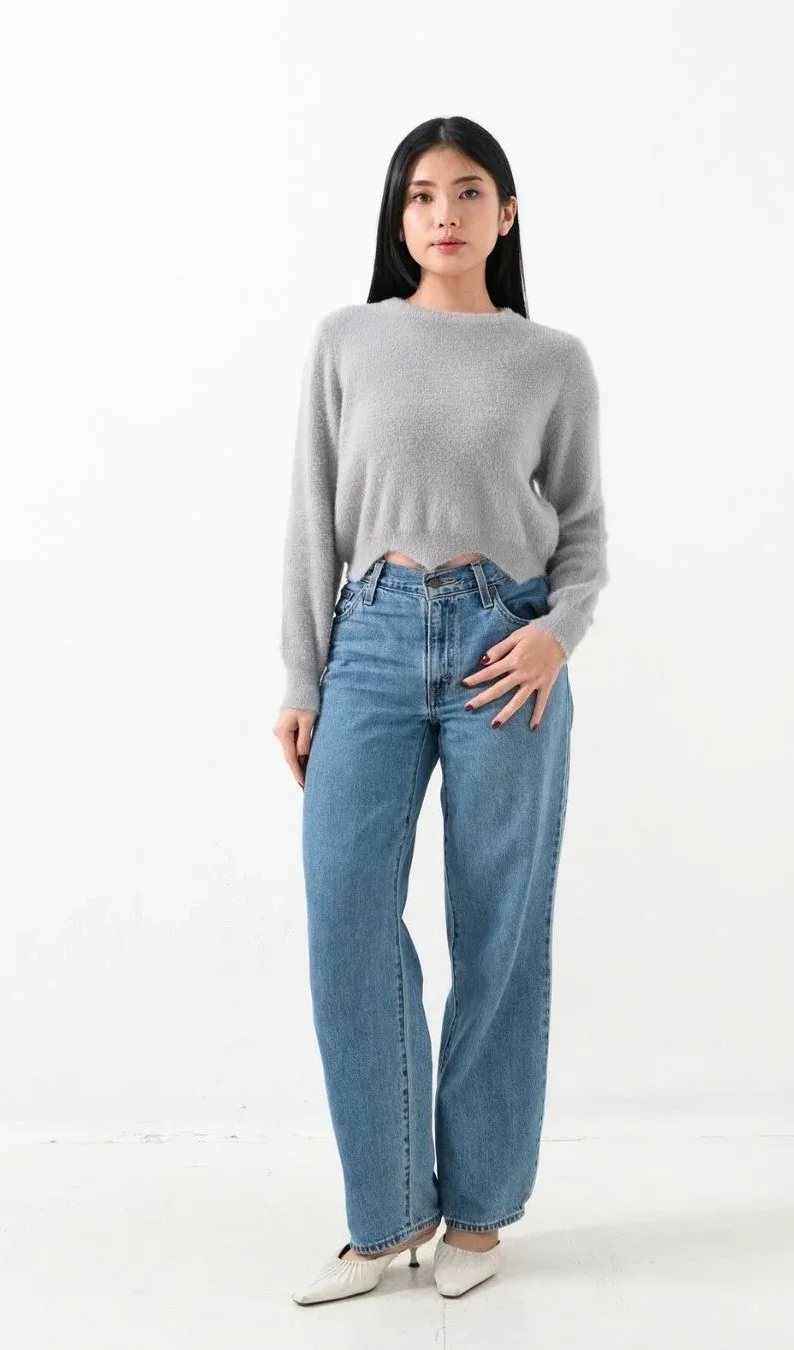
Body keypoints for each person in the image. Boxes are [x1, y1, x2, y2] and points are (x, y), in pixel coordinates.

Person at [274, 116, 610, 1305]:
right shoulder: (348, 340)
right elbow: (311, 517)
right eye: (421, 195)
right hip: (367, 641)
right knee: (344, 920)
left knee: (498, 930)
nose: (444, 214)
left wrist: (556, 634)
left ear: (505, 215)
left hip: (502, 644)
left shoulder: (551, 360)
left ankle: (477, 1215)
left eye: (469, 193)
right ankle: (387, 1216)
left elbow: (584, 534)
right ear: (398, 216)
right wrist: (301, 677)